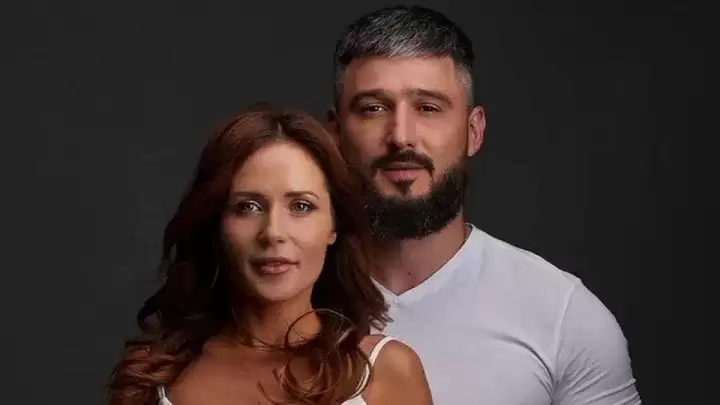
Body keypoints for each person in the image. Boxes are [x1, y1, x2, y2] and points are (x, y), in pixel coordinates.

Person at [327, 5, 642, 405]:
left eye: (428, 107)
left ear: (473, 132)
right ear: (334, 133)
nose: (401, 137)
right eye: (373, 108)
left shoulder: (565, 318)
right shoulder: (278, 299)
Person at [107, 103, 433, 405]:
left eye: (301, 206)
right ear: (216, 223)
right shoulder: (153, 377)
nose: (273, 232)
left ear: (333, 225)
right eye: (247, 207)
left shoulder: (384, 373)